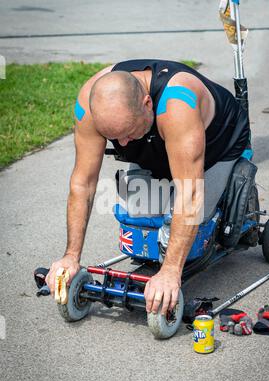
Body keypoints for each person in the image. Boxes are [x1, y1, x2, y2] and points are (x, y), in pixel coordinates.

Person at [46, 59, 251, 316]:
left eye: (127, 132)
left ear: (147, 104)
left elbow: (190, 193)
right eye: (113, 137)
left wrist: (170, 272)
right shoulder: (90, 102)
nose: (122, 143)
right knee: (140, 217)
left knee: (196, 229)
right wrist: (70, 256)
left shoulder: (178, 103)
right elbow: (82, 182)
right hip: (157, 140)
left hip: (217, 145)